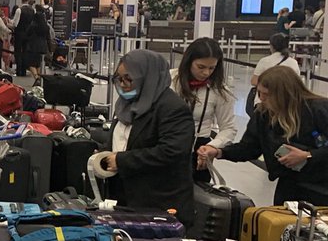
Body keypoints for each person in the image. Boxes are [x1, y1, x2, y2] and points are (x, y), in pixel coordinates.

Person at [96, 49, 196, 228]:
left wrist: (121, 160)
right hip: (125, 201)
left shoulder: (172, 109)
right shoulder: (126, 105)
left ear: (147, 77)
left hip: (158, 206)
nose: (123, 84)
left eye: (129, 78)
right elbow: (123, 140)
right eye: (119, 79)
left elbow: (171, 152)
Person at [201, 67, 328, 206]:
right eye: (259, 93)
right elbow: (249, 148)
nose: (261, 98)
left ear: (284, 94)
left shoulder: (318, 109)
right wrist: (219, 152)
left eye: (267, 94)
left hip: (322, 187)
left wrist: (308, 156)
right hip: (289, 187)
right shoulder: (263, 115)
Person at [172, 38, 238, 182]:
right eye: (200, 67)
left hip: (199, 150)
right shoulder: (170, 80)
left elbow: (228, 128)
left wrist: (212, 147)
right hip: (168, 146)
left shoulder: (220, 91)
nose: (206, 73)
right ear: (188, 61)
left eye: (212, 68)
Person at [10, 0, 35, 77]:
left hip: (19, 33)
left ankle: (18, 70)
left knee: (18, 52)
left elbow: (15, 24)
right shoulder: (33, 10)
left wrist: (9, 22)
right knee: (25, 52)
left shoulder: (19, 10)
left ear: (21, 0)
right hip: (29, 34)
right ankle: (24, 71)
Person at [24, 4, 51, 81]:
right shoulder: (46, 27)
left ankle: (36, 77)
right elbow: (48, 38)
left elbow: (27, 34)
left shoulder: (32, 26)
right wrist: (50, 49)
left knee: (30, 64)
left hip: (32, 47)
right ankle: (39, 78)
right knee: (38, 64)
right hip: (42, 47)